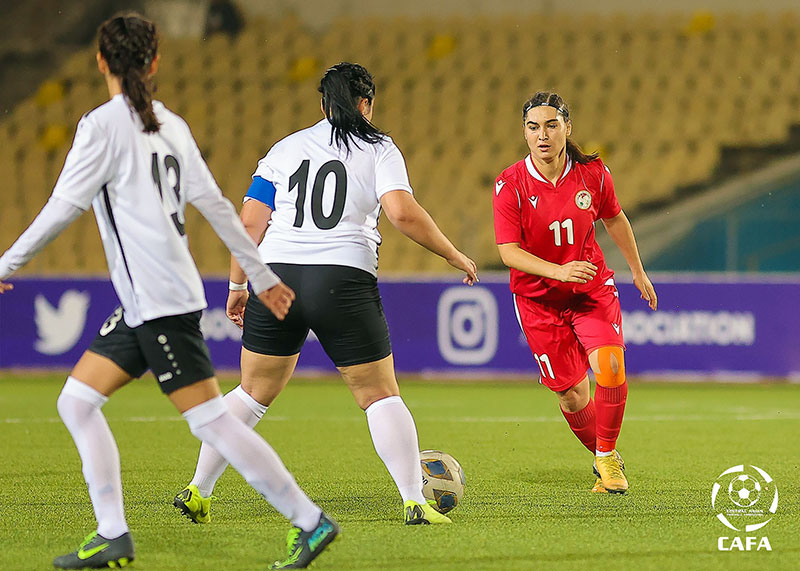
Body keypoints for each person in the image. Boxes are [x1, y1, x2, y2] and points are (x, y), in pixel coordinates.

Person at [0, 14, 337, 570]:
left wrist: (7, 261)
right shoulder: (171, 125)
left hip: (157, 302)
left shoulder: (102, 126)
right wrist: (262, 277)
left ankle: (309, 520)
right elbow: (220, 209)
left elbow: (65, 206)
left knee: (212, 423)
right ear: (154, 63)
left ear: (101, 61)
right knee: (78, 402)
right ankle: (113, 534)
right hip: (149, 301)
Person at [174, 62, 478, 526]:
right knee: (378, 394)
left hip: (275, 276)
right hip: (341, 278)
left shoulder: (285, 149)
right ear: (366, 104)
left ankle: (198, 490)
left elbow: (249, 224)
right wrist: (453, 254)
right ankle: (414, 501)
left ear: (322, 104)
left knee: (252, 392)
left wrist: (238, 285)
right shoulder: (379, 148)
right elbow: (401, 213)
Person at [492, 91, 658, 494]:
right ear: (525, 133)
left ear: (568, 128)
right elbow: (508, 252)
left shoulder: (594, 174)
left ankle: (606, 456)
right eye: (533, 127)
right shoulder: (509, 183)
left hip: (589, 289)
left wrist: (637, 270)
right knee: (571, 394)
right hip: (538, 300)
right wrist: (558, 271)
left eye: (551, 125)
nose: (542, 135)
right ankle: (605, 456)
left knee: (611, 368)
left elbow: (615, 218)